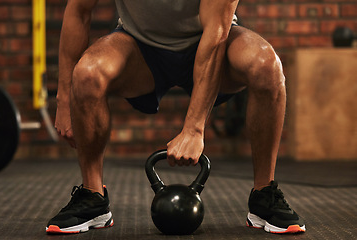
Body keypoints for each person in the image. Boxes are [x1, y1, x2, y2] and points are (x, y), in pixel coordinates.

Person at [46, 0, 306, 235]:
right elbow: (79, 10)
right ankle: (93, 197)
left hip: (211, 39)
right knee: (88, 74)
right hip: (139, 45)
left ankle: (263, 194)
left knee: (266, 66)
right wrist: (65, 98)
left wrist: (194, 129)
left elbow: (216, 34)